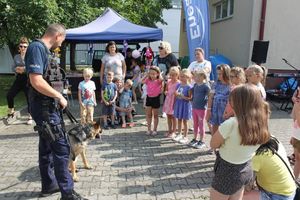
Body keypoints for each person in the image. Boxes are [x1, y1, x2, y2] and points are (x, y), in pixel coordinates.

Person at [25, 23, 87, 199]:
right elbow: (36, 80)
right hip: (44, 108)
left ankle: (49, 185)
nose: (61, 44)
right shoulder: (37, 48)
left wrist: (60, 92)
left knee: (46, 146)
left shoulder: (44, 51)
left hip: (48, 106)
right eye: (63, 40)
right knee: (61, 148)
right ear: (58, 35)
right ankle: (68, 194)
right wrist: (58, 96)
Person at [210, 84, 270, 200]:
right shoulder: (261, 121)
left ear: (236, 103)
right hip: (245, 168)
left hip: (226, 171)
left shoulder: (231, 123)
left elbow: (213, 144)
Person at [6, 37, 33, 125]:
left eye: (25, 47)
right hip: (19, 79)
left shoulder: (30, 56)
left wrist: (23, 69)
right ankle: (11, 111)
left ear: (27, 47)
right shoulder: (16, 57)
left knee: (29, 98)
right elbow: (12, 68)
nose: (23, 48)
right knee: (9, 95)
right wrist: (17, 69)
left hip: (27, 79)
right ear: (19, 47)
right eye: (21, 46)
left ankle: (30, 117)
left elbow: (32, 67)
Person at [206, 64, 231, 138]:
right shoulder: (215, 84)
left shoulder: (230, 85)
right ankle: (214, 145)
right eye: (217, 73)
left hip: (225, 110)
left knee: (225, 128)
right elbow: (211, 97)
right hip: (215, 109)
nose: (218, 76)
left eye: (220, 74)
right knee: (214, 126)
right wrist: (209, 109)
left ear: (226, 73)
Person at [188, 69, 210, 149]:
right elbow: (192, 93)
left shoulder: (205, 86)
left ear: (202, 76)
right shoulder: (195, 85)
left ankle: (202, 140)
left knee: (201, 124)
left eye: (196, 76)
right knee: (195, 124)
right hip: (194, 107)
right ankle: (195, 138)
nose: (194, 77)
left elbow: (209, 95)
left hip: (201, 108)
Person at [141, 66, 164, 136]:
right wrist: (146, 75)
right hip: (149, 98)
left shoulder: (159, 81)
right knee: (149, 115)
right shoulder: (148, 80)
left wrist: (159, 74)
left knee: (156, 115)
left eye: (154, 74)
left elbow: (162, 80)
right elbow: (141, 81)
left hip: (156, 99)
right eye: (151, 74)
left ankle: (155, 130)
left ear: (157, 74)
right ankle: (149, 129)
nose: (152, 75)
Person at [172, 69, 193, 144]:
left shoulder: (189, 87)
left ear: (188, 77)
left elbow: (190, 98)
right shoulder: (178, 85)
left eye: (184, 76)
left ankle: (185, 136)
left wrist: (183, 97)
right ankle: (179, 134)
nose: (182, 78)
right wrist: (176, 94)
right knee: (179, 119)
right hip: (179, 104)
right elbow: (175, 93)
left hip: (185, 105)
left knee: (185, 121)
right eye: (181, 76)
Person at [162, 66, 180, 138]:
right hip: (168, 101)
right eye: (171, 75)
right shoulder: (168, 81)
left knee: (174, 117)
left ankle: (174, 131)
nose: (172, 76)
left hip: (174, 101)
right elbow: (166, 89)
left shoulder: (179, 83)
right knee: (169, 116)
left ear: (177, 75)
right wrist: (165, 92)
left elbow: (179, 93)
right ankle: (169, 130)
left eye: (174, 75)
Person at [291, 87, 300, 180]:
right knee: (297, 159)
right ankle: (294, 180)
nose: (297, 98)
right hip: (297, 135)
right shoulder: (298, 105)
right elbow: (297, 122)